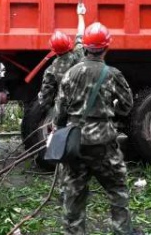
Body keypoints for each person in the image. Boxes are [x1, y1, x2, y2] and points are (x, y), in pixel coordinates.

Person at [54, 22, 136, 235]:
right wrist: (112, 113)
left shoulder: (70, 74)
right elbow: (127, 106)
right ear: (106, 47)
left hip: (75, 143)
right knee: (117, 189)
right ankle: (122, 231)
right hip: (104, 144)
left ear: (85, 48)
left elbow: (60, 112)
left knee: (74, 194)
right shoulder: (112, 74)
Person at [37, 3, 86, 112]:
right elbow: (80, 34)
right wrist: (81, 14)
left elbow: (45, 100)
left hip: (64, 111)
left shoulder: (50, 71)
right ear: (69, 44)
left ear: (54, 50)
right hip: (84, 106)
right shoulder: (78, 55)